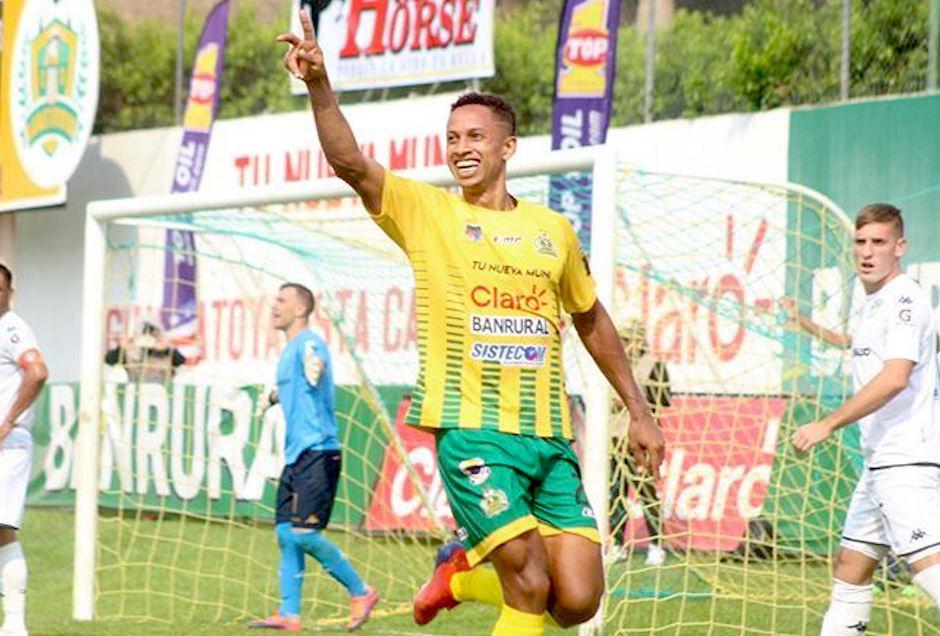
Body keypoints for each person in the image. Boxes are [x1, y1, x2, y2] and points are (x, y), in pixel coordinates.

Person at [276, 11, 665, 635]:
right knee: (530, 584)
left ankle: (457, 577)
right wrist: (320, 84)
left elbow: (591, 319)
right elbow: (349, 162)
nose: (461, 147)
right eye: (453, 136)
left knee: (578, 600)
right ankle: (471, 575)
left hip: (547, 436)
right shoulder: (427, 212)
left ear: (506, 147)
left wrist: (639, 411)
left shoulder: (552, 231)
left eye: (475, 136)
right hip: (471, 431)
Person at [787, 204, 940, 634]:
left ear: (900, 247)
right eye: (860, 242)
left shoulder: (905, 298)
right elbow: (856, 345)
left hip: (905, 457)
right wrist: (803, 323)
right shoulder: (874, 303)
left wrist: (827, 423)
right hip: (879, 462)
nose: (867, 252)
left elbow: (895, 378)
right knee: (851, 568)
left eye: (879, 242)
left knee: (928, 567)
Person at [249, 282, 377, 633]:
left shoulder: (307, 343)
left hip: (319, 452)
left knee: (304, 534)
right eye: (274, 298)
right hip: (297, 456)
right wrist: (275, 396)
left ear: (301, 309)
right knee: (286, 534)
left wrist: (314, 364)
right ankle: (289, 615)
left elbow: (314, 359)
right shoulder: (290, 349)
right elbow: (299, 386)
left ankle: (361, 591)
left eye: (282, 300)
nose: (274, 305)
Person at [0, 264, 48, 636]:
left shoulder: (12, 327)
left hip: (7, 445)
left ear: (9, 293)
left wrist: (7, 422)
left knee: (2, 531)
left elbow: (37, 372)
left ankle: (15, 625)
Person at [608, 320, 671, 566]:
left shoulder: (653, 365)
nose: (623, 344)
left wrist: (638, 404)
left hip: (640, 442)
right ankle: (617, 544)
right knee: (614, 493)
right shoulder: (613, 363)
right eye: (621, 339)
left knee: (646, 492)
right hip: (613, 437)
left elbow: (664, 400)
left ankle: (657, 544)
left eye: (627, 339)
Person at [104, 321, 186, 384]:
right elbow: (109, 360)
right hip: (136, 396)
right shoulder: (130, 354)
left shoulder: (166, 354)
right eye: (144, 336)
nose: (148, 340)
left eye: (152, 336)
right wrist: (121, 348)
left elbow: (181, 361)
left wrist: (167, 349)